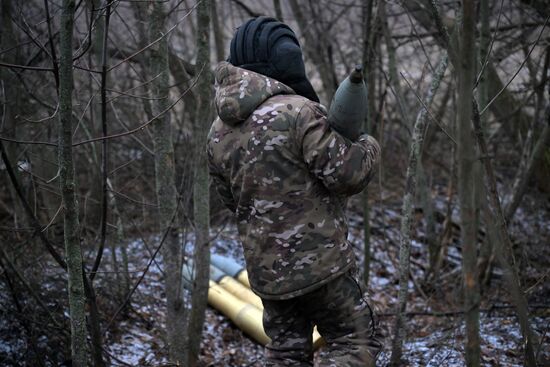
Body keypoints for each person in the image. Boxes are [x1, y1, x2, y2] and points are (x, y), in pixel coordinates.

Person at [206, 16, 383, 366]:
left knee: (286, 353)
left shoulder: (216, 132)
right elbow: (348, 175)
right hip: (322, 267)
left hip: (268, 275)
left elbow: (230, 200)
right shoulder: (299, 112)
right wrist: (367, 143)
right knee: (353, 343)